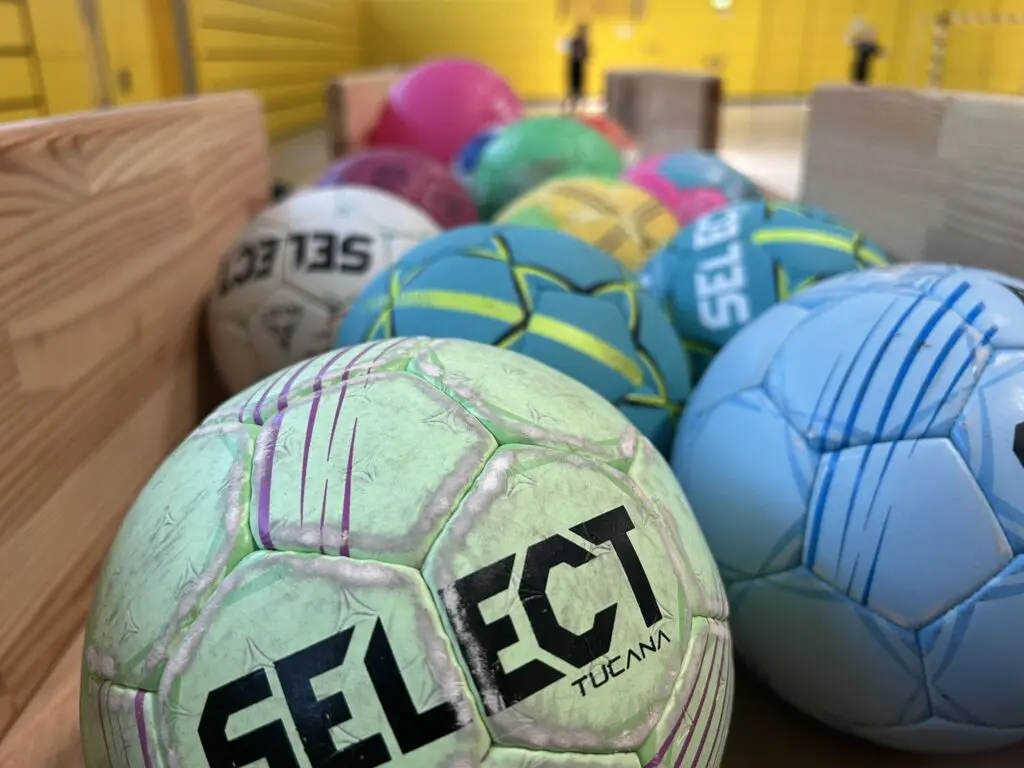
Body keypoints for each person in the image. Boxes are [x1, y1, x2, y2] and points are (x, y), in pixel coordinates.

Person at [847, 19, 884, 85]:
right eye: (867, 35)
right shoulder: (860, 43)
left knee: (863, 83)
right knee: (856, 82)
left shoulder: (871, 46)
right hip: (857, 69)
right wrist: (853, 28)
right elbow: (848, 40)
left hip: (865, 71)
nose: (870, 37)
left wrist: (883, 52)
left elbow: (882, 53)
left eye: (872, 35)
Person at [564, 23, 590, 114]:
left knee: (579, 83)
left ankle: (578, 99)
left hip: (580, 64)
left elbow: (586, 55)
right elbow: (570, 51)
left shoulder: (583, 42)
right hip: (574, 64)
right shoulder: (574, 41)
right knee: (574, 83)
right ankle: (574, 100)